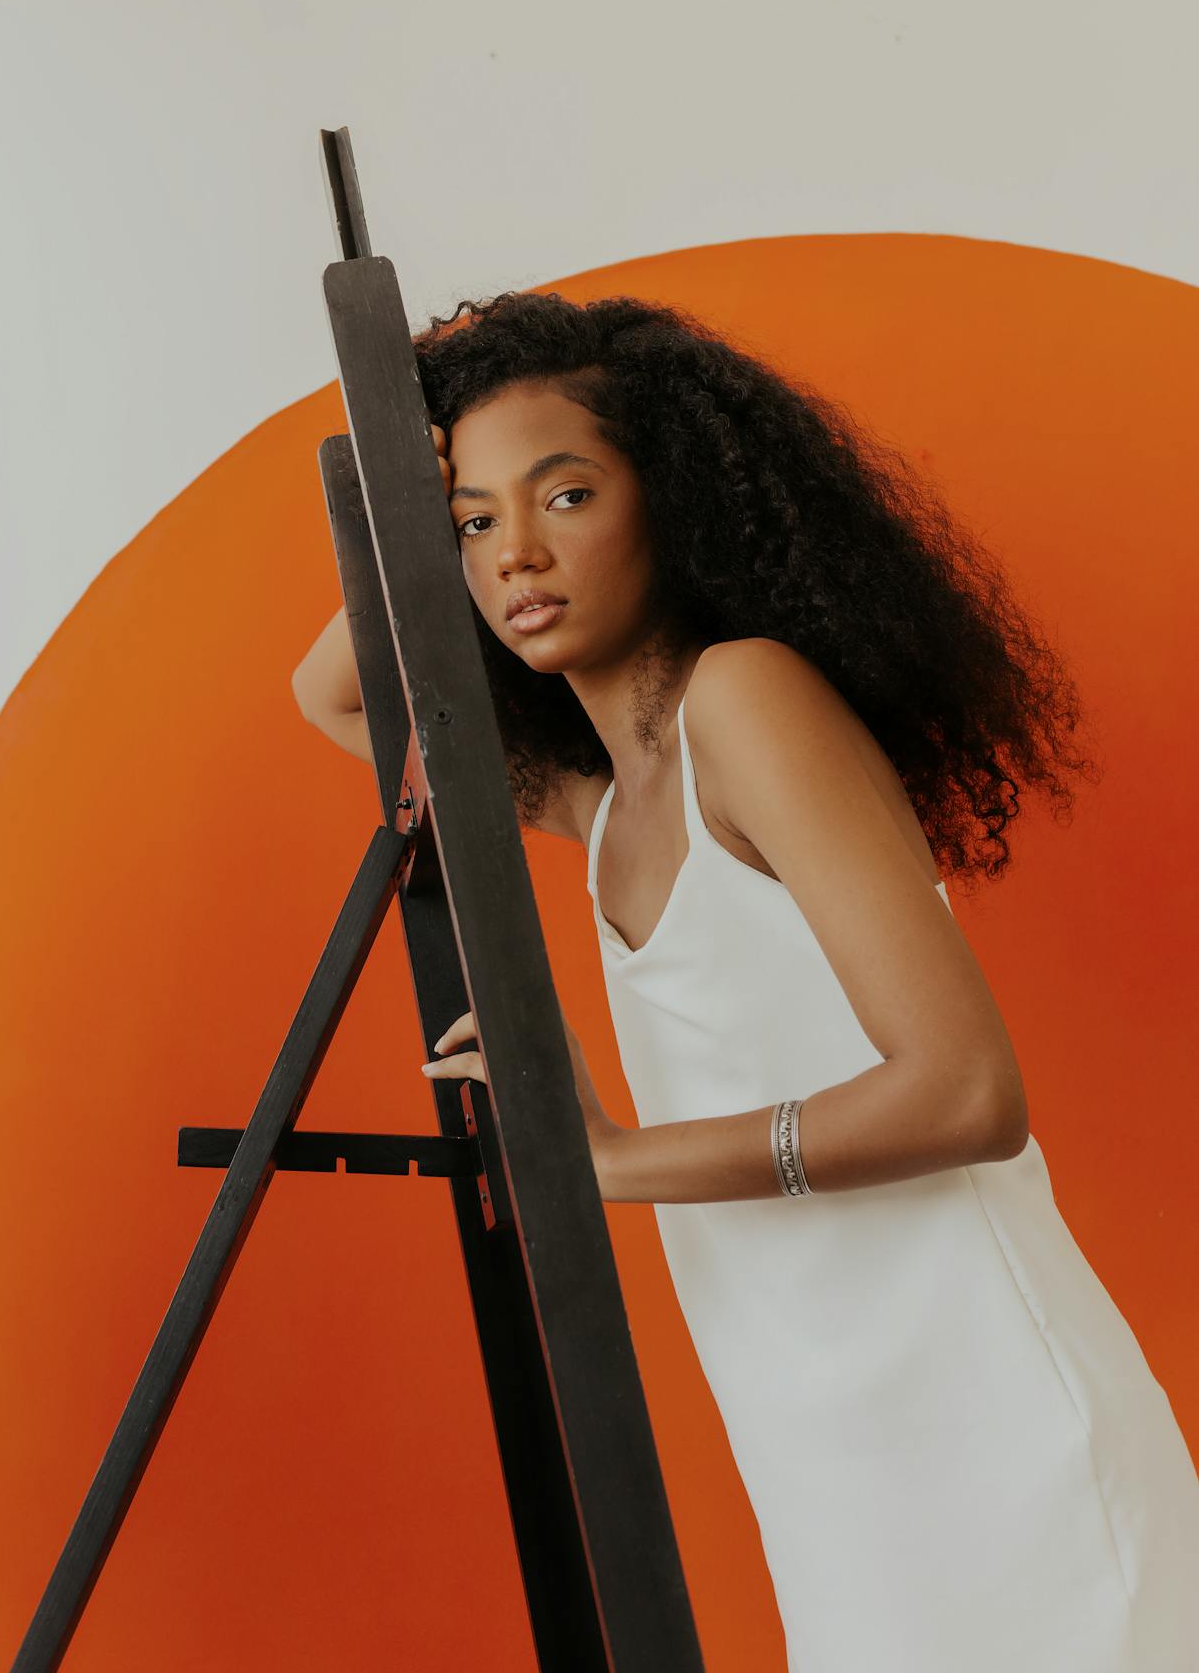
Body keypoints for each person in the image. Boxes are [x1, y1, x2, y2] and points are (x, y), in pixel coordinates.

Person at [292, 289, 1199, 1672]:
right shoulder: (596, 807)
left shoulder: (745, 699)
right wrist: (409, 522)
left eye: (567, 493)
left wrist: (605, 1158)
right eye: (478, 523)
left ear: (676, 499)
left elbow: (965, 1094)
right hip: (827, 1458)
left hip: (995, 1431)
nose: (516, 554)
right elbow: (340, 695)